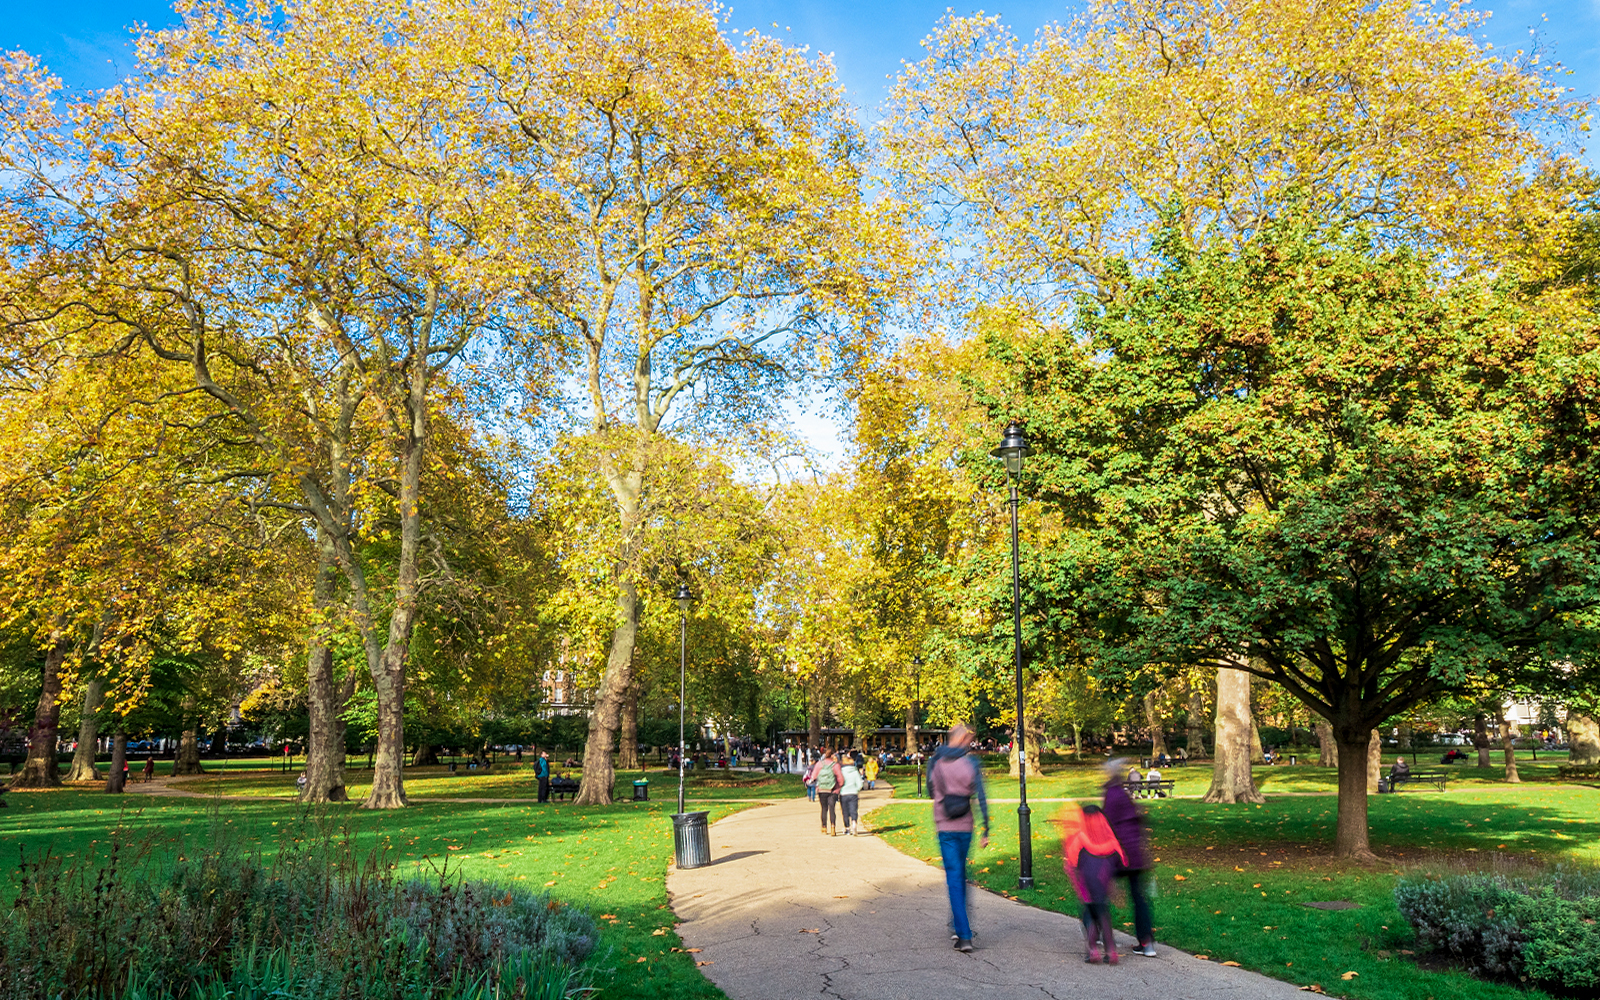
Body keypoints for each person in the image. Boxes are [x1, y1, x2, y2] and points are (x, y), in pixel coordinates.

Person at [927, 724, 989, 953]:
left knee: (954, 877)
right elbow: (980, 794)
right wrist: (987, 828)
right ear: (962, 739)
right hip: (966, 825)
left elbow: (931, 791)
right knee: (960, 874)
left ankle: (964, 935)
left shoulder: (936, 761)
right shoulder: (971, 762)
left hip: (945, 824)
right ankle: (957, 923)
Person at [1102, 758, 1158, 957]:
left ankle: (1101, 933)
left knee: (1099, 890)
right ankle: (1146, 942)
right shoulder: (1125, 795)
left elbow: (1107, 824)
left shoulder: (1111, 794)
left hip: (1120, 853)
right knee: (1139, 897)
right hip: (1136, 853)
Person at [1060, 802, 1127, 964]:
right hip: (1106, 874)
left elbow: (1072, 860)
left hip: (1087, 876)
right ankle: (1111, 952)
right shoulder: (1109, 836)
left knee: (1090, 911)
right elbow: (1122, 858)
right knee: (1103, 911)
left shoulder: (1082, 836)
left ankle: (1093, 950)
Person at [813, 749, 844, 835]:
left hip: (822, 789)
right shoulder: (835, 765)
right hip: (833, 790)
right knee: (832, 809)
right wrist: (839, 786)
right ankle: (833, 827)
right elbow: (840, 779)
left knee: (824, 808)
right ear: (832, 755)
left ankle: (824, 827)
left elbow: (814, 776)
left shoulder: (819, 764)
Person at [839, 753, 865, 835]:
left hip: (844, 793)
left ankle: (847, 827)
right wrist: (856, 789)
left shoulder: (841, 772)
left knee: (845, 811)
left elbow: (839, 782)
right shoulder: (855, 771)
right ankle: (854, 823)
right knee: (853, 809)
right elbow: (860, 783)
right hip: (853, 793)